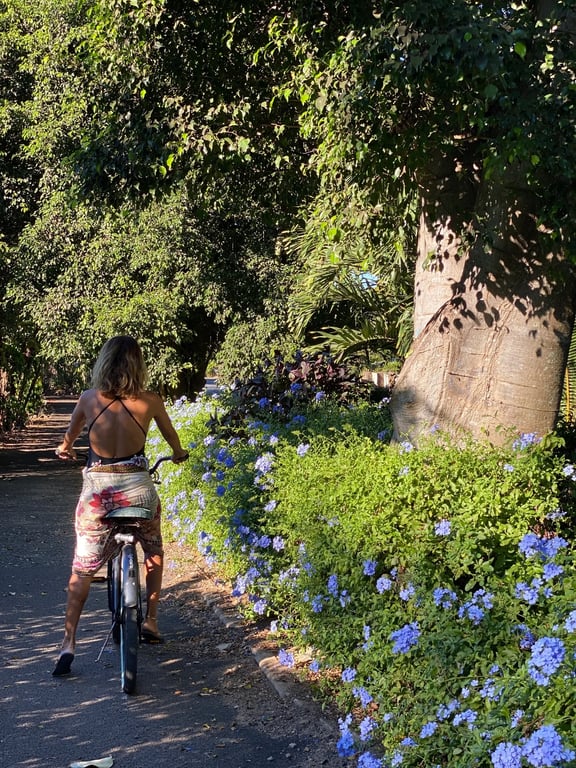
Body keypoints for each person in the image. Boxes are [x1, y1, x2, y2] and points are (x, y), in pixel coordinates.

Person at [52, 335, 188, 677]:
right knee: (154, 550)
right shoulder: (151, 401)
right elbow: (174, 442)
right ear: (137, 366)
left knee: (82, 569)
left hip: (99, 494)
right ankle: (152, 621)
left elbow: (69, 438)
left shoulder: (87, 399)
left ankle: (68, 642)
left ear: (103, 363)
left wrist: (66, 448)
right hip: (138, 491)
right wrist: (178, 454)